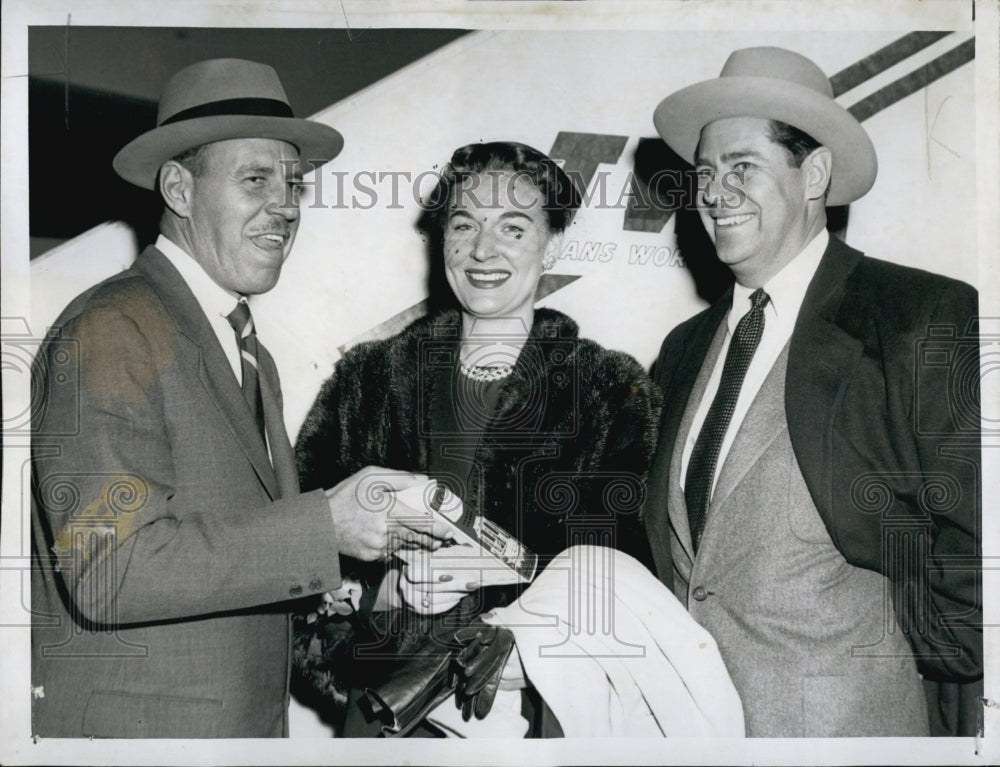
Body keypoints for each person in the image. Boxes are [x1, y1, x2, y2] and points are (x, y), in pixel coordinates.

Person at [30, 58, 452, 739]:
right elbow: (107, 565)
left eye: (294, 183)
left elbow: (229, 553)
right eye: (256, 179)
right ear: (179, 187)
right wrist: (323, 528)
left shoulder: (244, 346)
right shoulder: (111, 330)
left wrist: (346, 582)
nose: (286, 205)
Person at [644, 47, 982, 738]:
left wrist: (899, 647)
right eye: (705, 173)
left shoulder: (916, 314)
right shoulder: (680, 350)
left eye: (743, 167)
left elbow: (977, 536)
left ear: (815, 174)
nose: (714, 193)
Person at [293, 141, 660, 736]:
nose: (483, 250)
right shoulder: (369, 379)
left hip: (526, 716)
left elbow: (621, 578)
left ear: (555, 243)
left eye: (513, 228)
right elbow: (299, 551)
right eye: (464, 225)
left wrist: (501, 572)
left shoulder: (610, 391)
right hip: (381, 714)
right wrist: (380, 590)